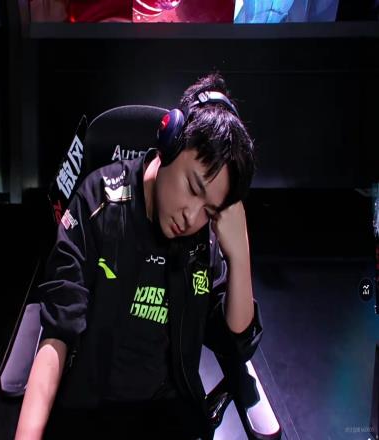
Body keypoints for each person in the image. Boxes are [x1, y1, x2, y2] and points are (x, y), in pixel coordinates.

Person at [15, 72, 263, 439]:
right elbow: (57, 335)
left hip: (169, 418)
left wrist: (240, 255)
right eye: (192, 188)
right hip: (89, 413)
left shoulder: (202, 240)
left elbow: (235, 343)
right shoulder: (96, 202)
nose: (191, 217)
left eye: (209, 210)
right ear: (169, 144)